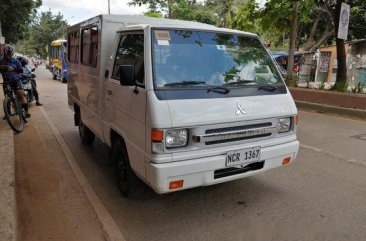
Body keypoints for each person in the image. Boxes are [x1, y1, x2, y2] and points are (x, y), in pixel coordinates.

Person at [0, 44, 31, 118]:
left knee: (21, 94)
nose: (8, 55)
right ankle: (8, 113)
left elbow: (21, 70)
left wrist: (13, 69)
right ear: (4, 53)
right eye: (7, 53)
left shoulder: (16, 61)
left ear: (12, 53)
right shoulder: (1, 61)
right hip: (7, 82)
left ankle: (26, 111)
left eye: (10, 53)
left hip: (16, 80)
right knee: (8, 96)